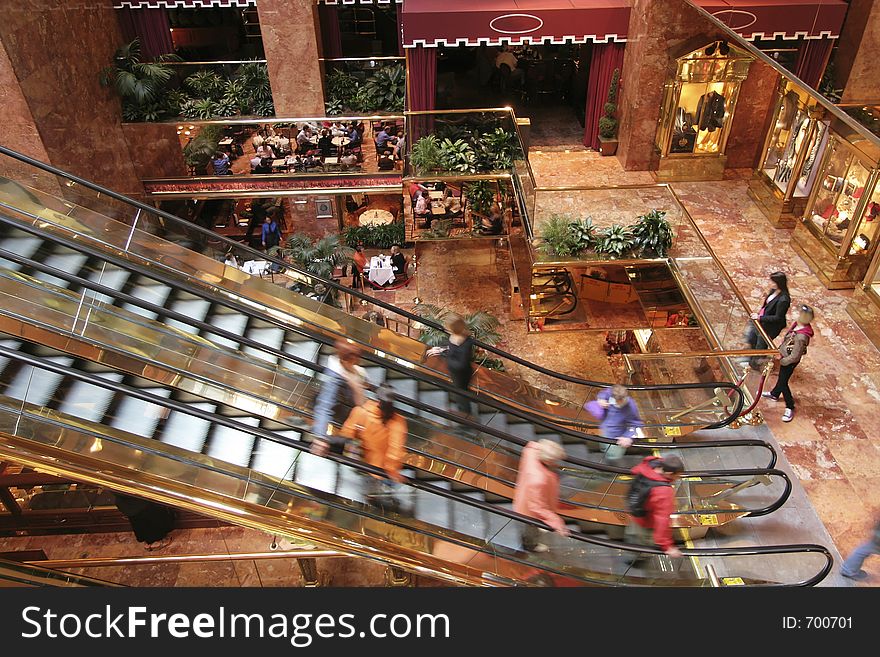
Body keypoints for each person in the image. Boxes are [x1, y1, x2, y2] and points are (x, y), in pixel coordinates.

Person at [337, 385, 408, 504]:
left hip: (367, 467)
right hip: (377, 469)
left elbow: (346, 433)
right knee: (372, 496)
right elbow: (395, 451)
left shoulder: (362, 411)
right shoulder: (397, 422)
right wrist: (392, 471)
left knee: (368, 496)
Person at [311, 340, 367, 454]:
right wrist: (320, 437)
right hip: (341, 418)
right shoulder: (334, 378)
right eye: (355, 358)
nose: (358, 361)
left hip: (352, 413)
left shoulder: (357, 371)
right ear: (346, 359)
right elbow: (324, 406)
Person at [513, 440, 569, 553]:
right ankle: (529, 546)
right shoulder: (539, 480)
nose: (557, 463)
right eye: (555, 460)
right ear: (548, 461)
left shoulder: (531, 452)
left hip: (524, 495)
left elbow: (531, 445)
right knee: (531, 528)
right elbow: (537, 507)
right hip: (528, 510)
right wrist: (556, 521)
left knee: (531, 526)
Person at [624, 456, 684, 560]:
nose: (679, 478)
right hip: (647, 523)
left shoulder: (648, 465)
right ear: (670, 474)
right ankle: (637, 559)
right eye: (678, 475)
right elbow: (662, 520)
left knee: (633, 535)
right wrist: (667, 546)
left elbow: (635, 469)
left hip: (635, 514)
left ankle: (631, 551)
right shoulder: (664, 492)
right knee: (643, 544)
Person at [762, 305, 815, 422]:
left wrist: (783, 361)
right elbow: (787, 340)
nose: (795, 313)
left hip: (789, 361)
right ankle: (775, 394)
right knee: (782, 379)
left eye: (798, 312)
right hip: (784, 357)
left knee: (783, 382)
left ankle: (789, 406)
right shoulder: (797, 325)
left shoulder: (801, 337)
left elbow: (795, 356)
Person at [425, 316, 476, 417]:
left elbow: (461, 364)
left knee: (461, 393)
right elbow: (452, 349)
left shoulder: (465, 343)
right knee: (461, 391)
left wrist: (445, 355)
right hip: (456, 373)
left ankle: (466, 415)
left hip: (461, 374)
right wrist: (441, 350)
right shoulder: (456, 337)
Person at [593, 384, 643, 462]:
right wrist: (601, 399)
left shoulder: (631, 406)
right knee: (603, 449)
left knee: (612, 458)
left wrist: (628, 436)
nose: (619, 403)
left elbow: (636, 424)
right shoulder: (611, 392)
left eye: (621, 401)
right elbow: (604, 393)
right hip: (605, 430)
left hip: (618, 438)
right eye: (617, 401)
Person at [746, 271, 791, 356]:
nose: (770, 283)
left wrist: (760, 318)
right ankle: (751, 355)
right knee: (752, 338)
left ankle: (755, 364)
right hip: (762, 320)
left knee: (761, 346)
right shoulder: (773, 290)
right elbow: (767, 305)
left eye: (772, 281)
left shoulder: (784, 300)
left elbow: (778, 317)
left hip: (770, 327)